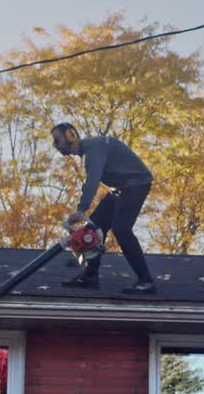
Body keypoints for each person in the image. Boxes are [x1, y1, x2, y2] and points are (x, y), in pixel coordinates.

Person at [51, 122, 157, 294]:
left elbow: (92, 181)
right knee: (94, 227)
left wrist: (81, 210)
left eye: (57, 140)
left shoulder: (93, 148)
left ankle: (146, 281)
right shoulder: (90, 151)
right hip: (122, 188)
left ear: (70, 135)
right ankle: (90, 276)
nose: (55, 145)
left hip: (136, 184)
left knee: (121, 228)